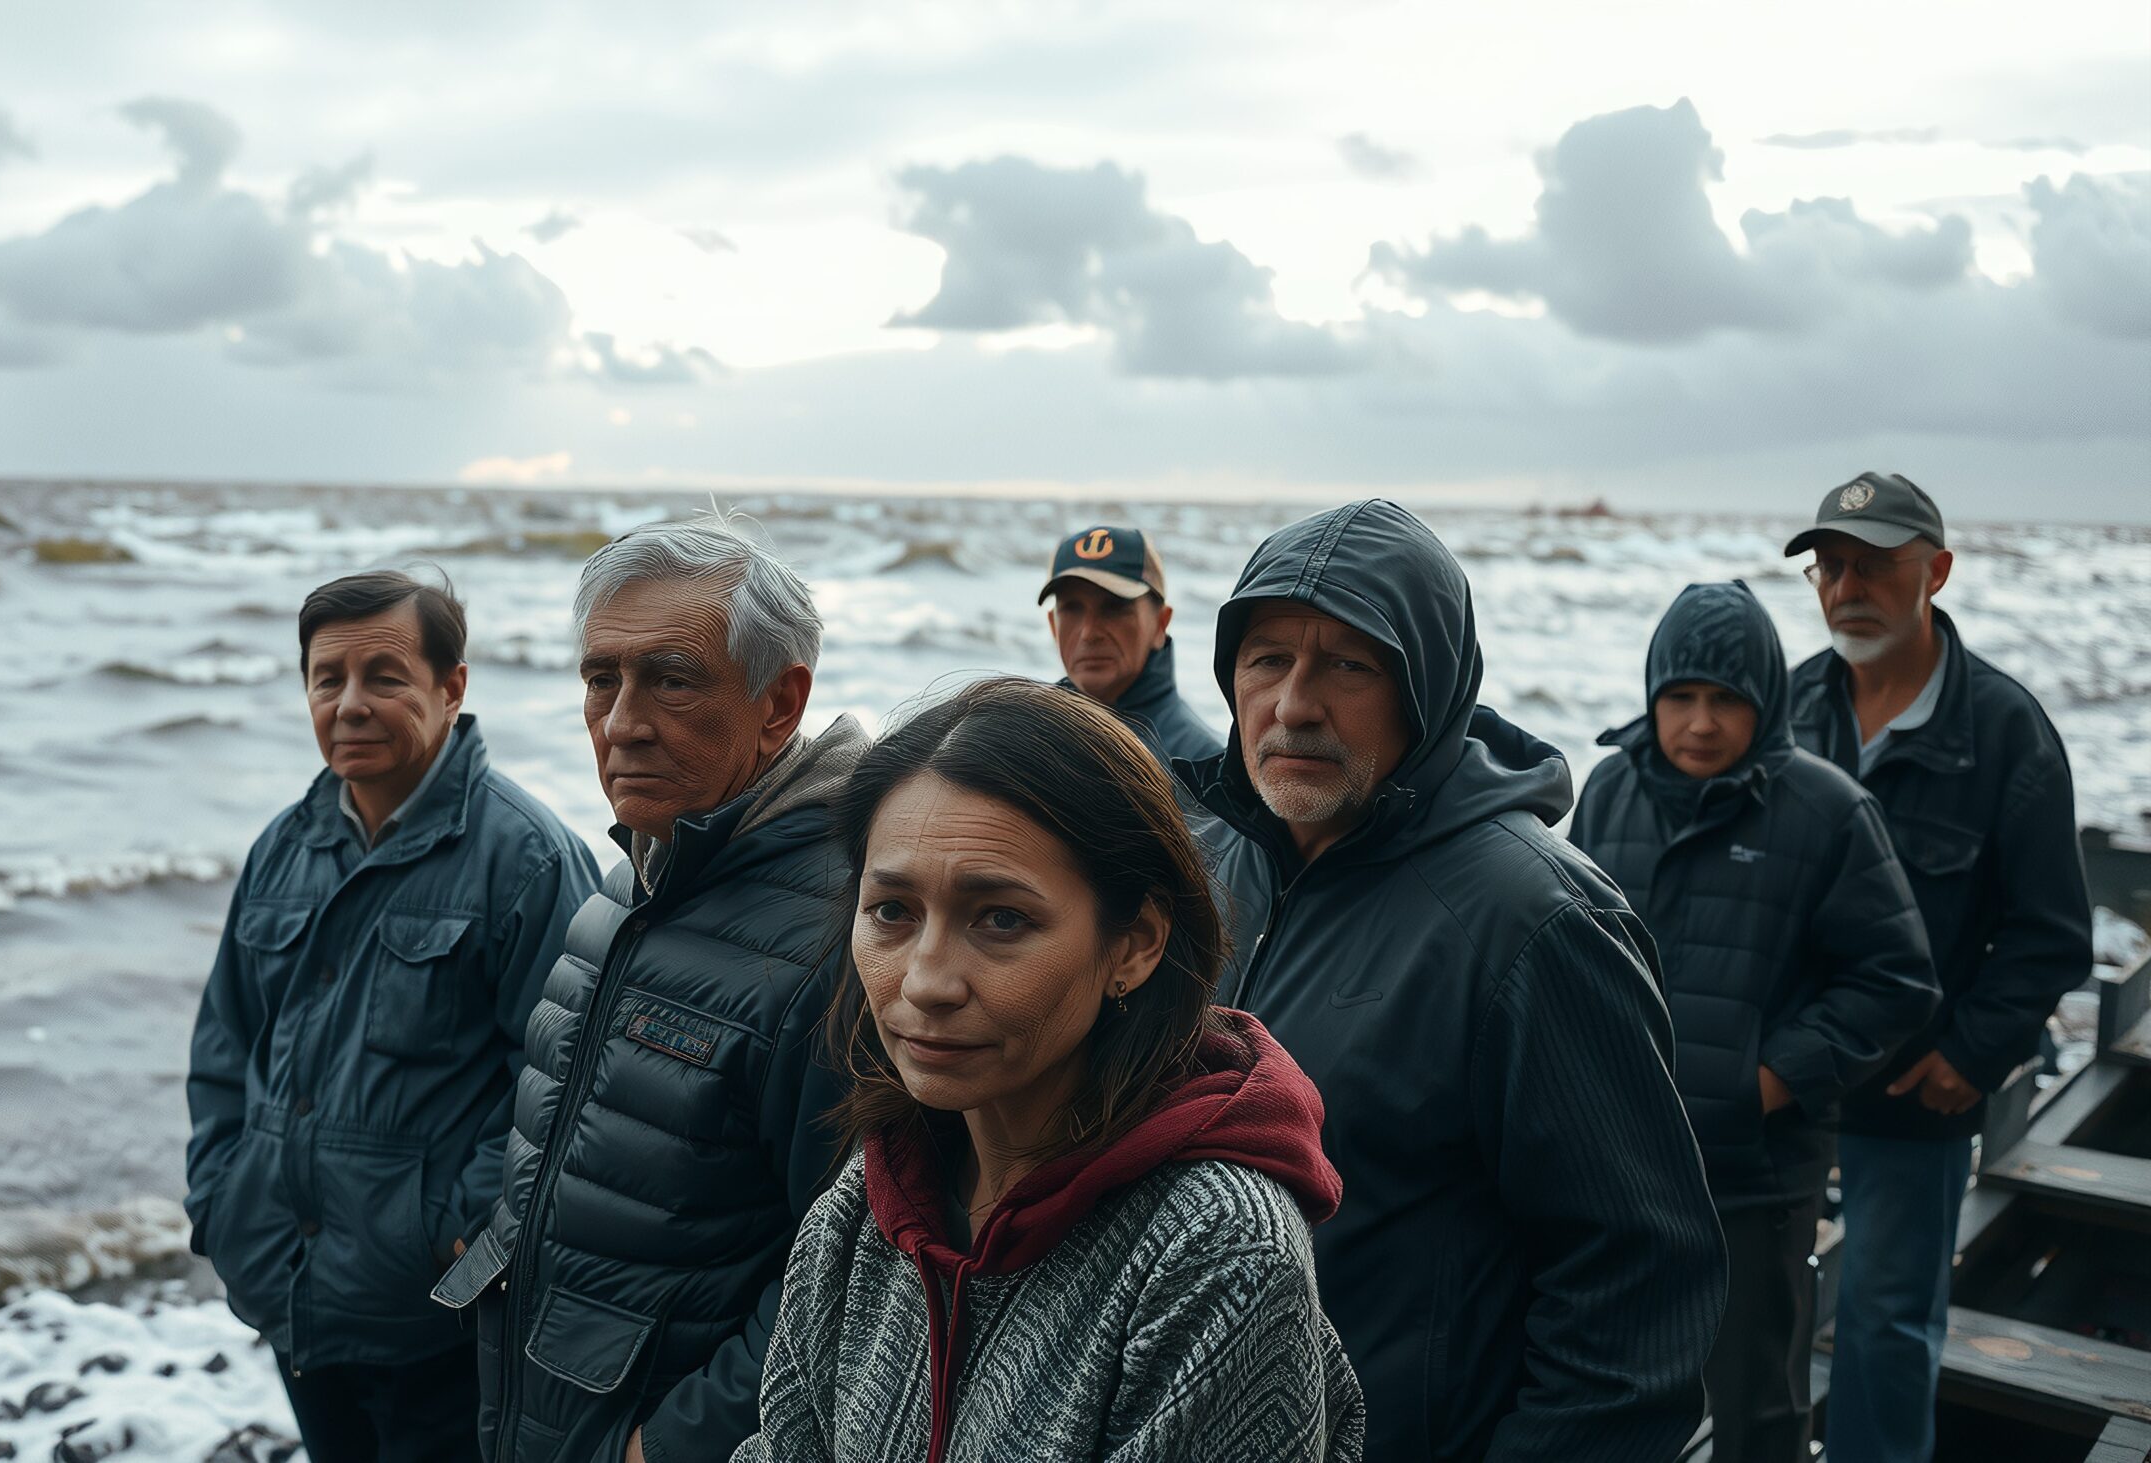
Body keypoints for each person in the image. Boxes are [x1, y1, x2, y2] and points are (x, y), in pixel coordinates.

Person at [1179, 499, 1726, 1463]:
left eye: (1348, 664)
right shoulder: (1200, 863)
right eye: (1267, 658)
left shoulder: (1539, 922)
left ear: (1428, 687)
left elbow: (1636, 1301)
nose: (1295, 703)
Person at [735, 677, 1365, 1463]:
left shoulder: (1216, 1253)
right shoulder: (869, 1205)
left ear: (1134, 944)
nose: (927, 981)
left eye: (1001, 918)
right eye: (892, 911)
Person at [431, 518, 868, 1463]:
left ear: (779, 703)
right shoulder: (637, 870)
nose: (622, 719)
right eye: (601, 679)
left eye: (670, 678)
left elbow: (849, 1274)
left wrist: (667, 1445)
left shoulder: (847, 936)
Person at [185, 568, 600, 1463]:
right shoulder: (283, 845)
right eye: (326, 678)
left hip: (432, 1323)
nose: (350, 703)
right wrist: (220, 1197)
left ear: (452, 686)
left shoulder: (526, 859)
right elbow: (225, 1040)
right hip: (292, 1290)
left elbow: (562, 1085)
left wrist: (461, 1237)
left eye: (384, 676)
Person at [1571, 580, 1940, 1463]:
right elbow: (1565, 954)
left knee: (1758, 1406)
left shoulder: (1828, 810)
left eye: (1727, 699)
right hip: (1621, 1163)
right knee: (1607, 1384)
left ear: (1766, 702)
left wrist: (1761, 1085)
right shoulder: (1611, 790)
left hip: (1755, 1175)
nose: (1701, 722)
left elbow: (1897, 980)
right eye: (1682, 696)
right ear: (1653, 695)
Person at [1781, 473, 2092, 1463]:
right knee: (1754, 1306)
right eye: (1829, 563)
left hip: (1917, 1084)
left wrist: (1969, 1054)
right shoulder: (1781, 709)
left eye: (1873, 561)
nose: (1846, 583)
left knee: (1884, 1319)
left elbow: (2051, 933)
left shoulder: (2004, 730)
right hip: (1781, 1076)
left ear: (1937, 571)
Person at [1039, 524, 1223, 765]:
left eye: (1114, 608)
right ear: (1053, 625)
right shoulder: (1032, 742)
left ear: (1160, 623)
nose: (1089, 633)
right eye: (1072, 609)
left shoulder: (1203, 766)